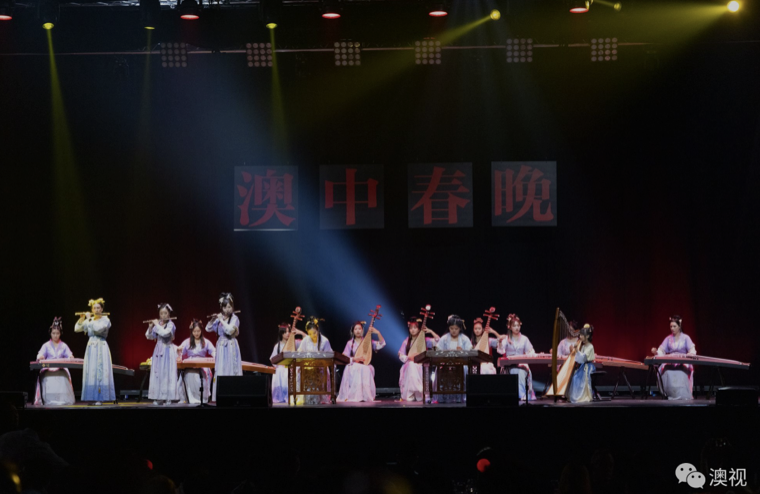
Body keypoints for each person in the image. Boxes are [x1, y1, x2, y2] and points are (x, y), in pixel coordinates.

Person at [74, 298, 115, 405]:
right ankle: (92, 397)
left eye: (98, 308)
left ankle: (100, 398)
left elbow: (97, 329)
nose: (96, 310)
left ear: (101, 309)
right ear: (92, 309)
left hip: (101, 346)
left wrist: (89, 319)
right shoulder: (90, 319)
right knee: (91, 371)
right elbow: (77, 329)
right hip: (91, 347)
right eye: (94, 308)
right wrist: (82, 319)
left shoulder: (106, 320)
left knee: (99, 371)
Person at [205, 292, 242, 402]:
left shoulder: (235, 318)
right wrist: (213, 319)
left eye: (230, 307)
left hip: (231, 346)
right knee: (221, 369)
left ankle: (232, 396)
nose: (228, 309)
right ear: (222, 307)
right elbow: (208, 329)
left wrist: (221, 320)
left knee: (231, 369)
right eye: (225, 307)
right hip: (221, 347)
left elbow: (230, 330)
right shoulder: (218, 319)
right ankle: (220, 396)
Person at [337, 321, 386, 402]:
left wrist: (378, 332)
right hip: (353, 365)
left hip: (365, 365)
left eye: (359, 329)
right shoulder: (350, 343)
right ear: (353, 331)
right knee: (358, 367)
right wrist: (355, 358)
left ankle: (365, 396)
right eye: (355, 329)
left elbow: (382, 344)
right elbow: (344, 357)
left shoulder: (367, 342)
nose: (358, 331)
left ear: (362, 330)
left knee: (367, 368)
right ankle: (355, 396)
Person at [650, 315, 696, 400]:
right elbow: (661, 351)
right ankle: (669, 394)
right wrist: (656, 352)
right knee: (666, 371)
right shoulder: (668, 338)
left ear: (679, 326)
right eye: (671, 326)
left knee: (682, 372)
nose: (672, 328)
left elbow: (692, 350)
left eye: (674, 326)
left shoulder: (686, 338)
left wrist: (689, 354)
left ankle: (682, 395)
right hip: (671, 361)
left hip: (682, 360)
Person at [34, 318, 75, 406]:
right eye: (53, 333)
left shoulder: (64, 345)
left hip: (60, 368)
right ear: (50, 334)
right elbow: (40, 354)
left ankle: (62, 399)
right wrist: (40, 356)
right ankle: (48, 399)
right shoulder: (46, 345)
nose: (55, 335)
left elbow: (70, 355)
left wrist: (70, 357)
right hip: (49, 368)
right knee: (46, 375)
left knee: (63, 374)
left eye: (57, 333)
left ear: (60, 334)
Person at [398, 317, 440, 402]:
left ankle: (419, 393)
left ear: (419, 329)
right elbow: (400, 354)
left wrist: (431, 331)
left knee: (417, 366)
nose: (413, 330)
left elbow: (439, 341)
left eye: (415, 328)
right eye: (411, 328)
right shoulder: (407, 341)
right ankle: (417, 390)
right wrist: (408, 357)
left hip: (421, 365)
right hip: (409, 365)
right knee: (411, 365)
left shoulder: (424, 340)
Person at [498, 314, 537, 401]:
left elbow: (530, 351)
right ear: (510, 327)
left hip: (521, 364)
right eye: (514, 326)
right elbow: (501, 351)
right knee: (515, 371)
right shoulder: (507, 339)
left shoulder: (524, 339)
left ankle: (523, 395)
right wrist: (500, 342)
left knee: (521, 371)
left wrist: (532, 354)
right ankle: (518, 395)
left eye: (518, 326)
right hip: (509, 365)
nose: (516, 328)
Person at [145, 303, 178, 405]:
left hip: (167, 350)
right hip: (158, 351)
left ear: (169, 314)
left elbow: (165, 333)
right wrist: (150, 327)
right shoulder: (158, 324)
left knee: (167, 373)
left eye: (165, 313)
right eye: (161, 313)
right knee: (158, 373)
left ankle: (168, 397)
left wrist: (157, 325)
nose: (163, 315)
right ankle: (158, 397)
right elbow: (150, 337)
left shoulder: (171, 324)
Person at [178, 319, 215, 404]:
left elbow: (213, 351)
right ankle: (188, 398)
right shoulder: (187, 342)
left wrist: (216, 355)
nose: (196, 333)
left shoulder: (206, 342)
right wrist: (179, 353)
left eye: (198, 331)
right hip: (190, 363)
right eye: (194, 331)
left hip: (203, 363)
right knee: (188, 374)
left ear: (201, 331)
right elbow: (180, 351)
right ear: (192, 332)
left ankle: (202, 398)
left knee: (203, 374)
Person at [296, 317, 332, 405]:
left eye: (314, 332)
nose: (313, 335)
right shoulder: (305, 340)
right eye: (310, 333)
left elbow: (330, 355)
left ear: (318, 330)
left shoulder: (324, 341)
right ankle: (307, 397)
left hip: (321, 367)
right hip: (308, 367)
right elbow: (300, 353)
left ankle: (321, 398)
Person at [568, 324, 596, 403]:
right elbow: (580, 359)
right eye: (580, 335)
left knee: (580, 378)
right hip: (583, 366)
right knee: (575, 377)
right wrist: (575, 350)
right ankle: (576, 396)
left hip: (588, 366)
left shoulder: (590, 346)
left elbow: (583, 357)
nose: (580, 336)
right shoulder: (583, 346)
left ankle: (583, 396)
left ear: (587, 336)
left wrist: (577, 350)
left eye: (582, 335)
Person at [270, 322, 297, 404]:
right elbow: (272, 359)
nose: (287, 334)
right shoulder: (277, 346)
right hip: (281, 368)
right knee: (279, 371)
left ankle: (291, 396)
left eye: (288, 332)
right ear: (281, 334)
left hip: (289, 367)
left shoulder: (293, 344)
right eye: (285, 332)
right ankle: (279, 397)